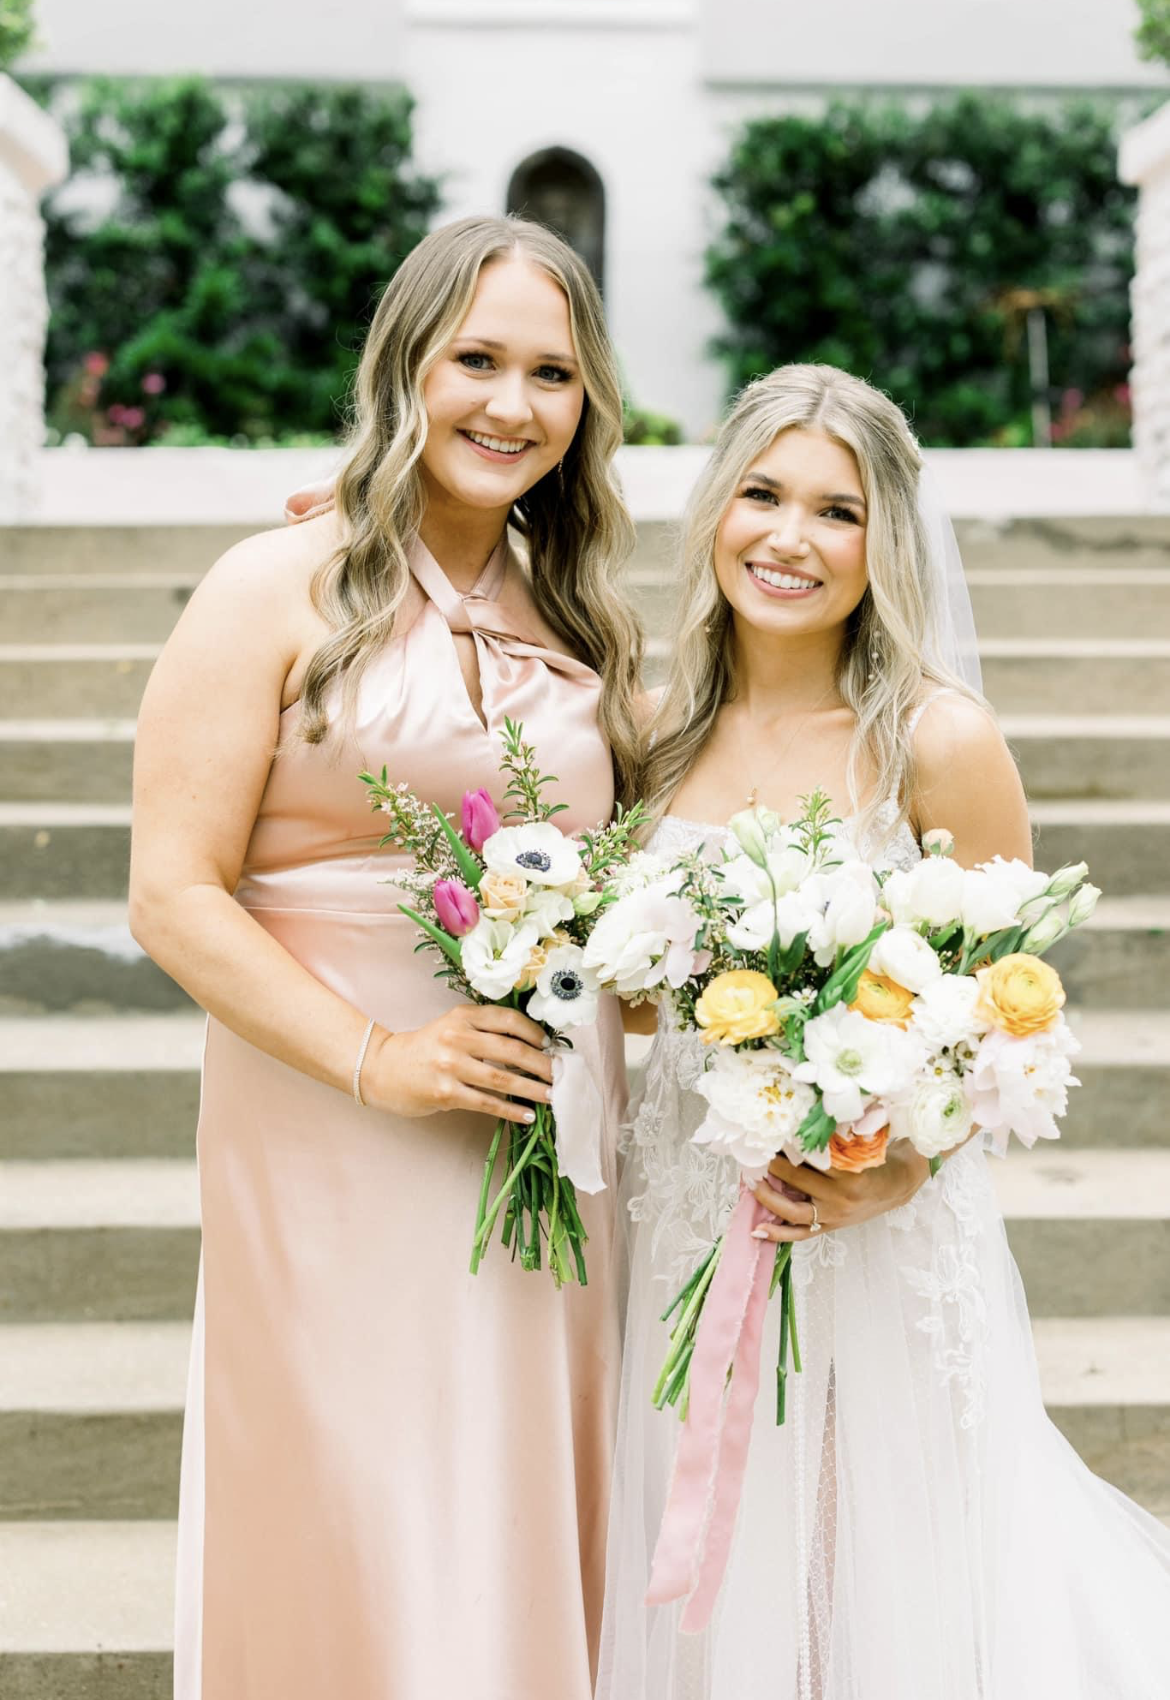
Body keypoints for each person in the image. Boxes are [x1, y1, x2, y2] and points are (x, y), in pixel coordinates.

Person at [597, 363, 1170, 1699]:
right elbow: (632, 997)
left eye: (834, 511)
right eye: (760, 495)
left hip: (867, 1229)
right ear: (712, 510)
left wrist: (899, 1167)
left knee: (877, 1576)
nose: (788, 539)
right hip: (684, 1217)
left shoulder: (935, 739)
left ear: (883, 541)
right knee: (714, 1579)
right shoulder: (651, 730)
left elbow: (1005, 1026)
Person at [129, 214, 643, 1700]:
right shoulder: (269, 586)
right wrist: (380, 1056)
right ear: (402, 364)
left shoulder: (579, 613)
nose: (510, 403)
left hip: (540, 1142)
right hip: (330, 1128)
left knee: (508, 1496)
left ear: (586, 406)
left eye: (551, 373)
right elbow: (173, 893)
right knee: (360, 1497)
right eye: (474, 358)